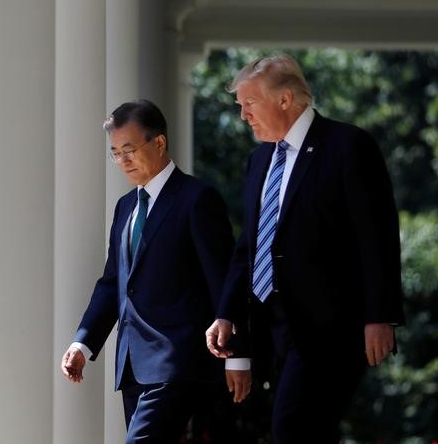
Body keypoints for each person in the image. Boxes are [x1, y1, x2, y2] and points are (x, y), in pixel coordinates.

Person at [205, 54, 405, 443]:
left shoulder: (348, 145)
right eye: (240, 106)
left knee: (293, 429)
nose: (244, 115)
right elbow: (250, 245)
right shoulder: (259, 160)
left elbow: (376, 235)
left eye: (250, 104)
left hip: (328, 328)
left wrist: (379, 315)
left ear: (284, 99)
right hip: (270, 328)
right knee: (305, 431)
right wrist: (226, 314)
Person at [61, 99, 250, 443]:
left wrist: (238, 356)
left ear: (159, 143)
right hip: (132, 366)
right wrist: (83, 343)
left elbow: (223, 281)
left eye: (129, 149)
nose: (123, 161)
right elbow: (113, 284)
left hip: (178, 364)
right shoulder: (125, 207)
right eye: (116, 152)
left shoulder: (197, 199)